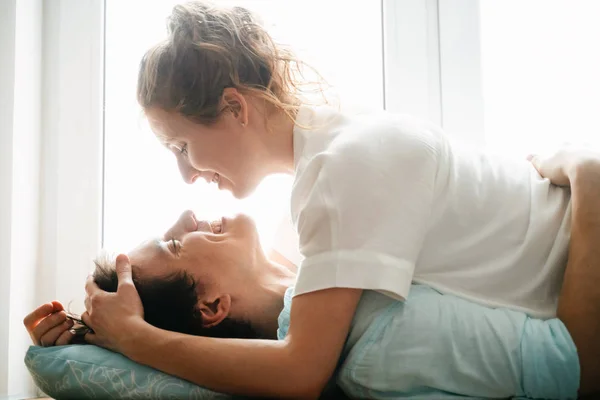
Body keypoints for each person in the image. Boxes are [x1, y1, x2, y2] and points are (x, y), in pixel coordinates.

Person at [27, 0, 600, 396]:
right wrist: (89, 330)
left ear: (234, 107)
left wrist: (137, 338)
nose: (185, 178)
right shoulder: (323, 186)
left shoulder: (345, 168)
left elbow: (300, 371)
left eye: (182, 145)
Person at [24, 149, 600, 398]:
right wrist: (588, 174)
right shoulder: (374, 341)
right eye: (176, 242)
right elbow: (575, 364)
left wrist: (95, 329)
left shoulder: (318, 246)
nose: (187, 210)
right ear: (211, 307)